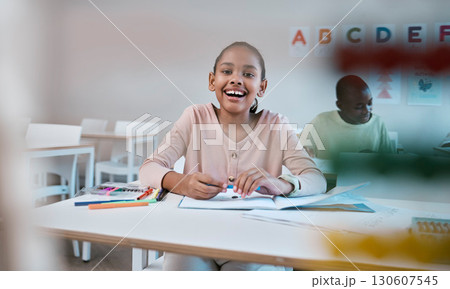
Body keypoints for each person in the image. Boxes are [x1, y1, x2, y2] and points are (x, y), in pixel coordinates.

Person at [139, 41, 326, 270]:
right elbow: (148, 168)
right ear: (212, 81)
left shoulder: (277, 125)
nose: (236, 79)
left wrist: (282, 184)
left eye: (248, 74)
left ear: (262, 87)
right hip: (194, 235)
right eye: (227, 71)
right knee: (180, 267)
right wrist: (182, 183)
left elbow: (317, 179)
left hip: (254, 239)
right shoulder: (194, 117)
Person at [308, 75, 396, 159]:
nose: (367, 110)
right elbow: (299, 150)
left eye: (369, 103)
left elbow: (390, 161)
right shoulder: (320, 121)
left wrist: (375, 158)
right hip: (327, 175)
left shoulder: (378, 123)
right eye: (359, 107)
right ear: (340, 105)